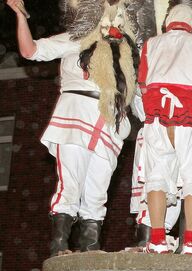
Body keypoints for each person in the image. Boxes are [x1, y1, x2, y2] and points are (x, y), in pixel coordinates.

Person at [8, 0, 137, 256]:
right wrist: (20, 16)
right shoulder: (75, 39)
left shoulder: (125, 50)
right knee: (70, 185)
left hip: (109, 123)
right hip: (76, 116)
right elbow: (30, 51)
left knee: (97, 192)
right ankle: (59, 247)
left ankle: (90, 250)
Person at [137, 4, 192, 255]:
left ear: (167, 23)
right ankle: (191, 244)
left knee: (157, 177)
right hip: (190, 115)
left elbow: (143, 85)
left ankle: (157, 240)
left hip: (158, 114)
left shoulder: (151, 44)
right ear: (191, 24)